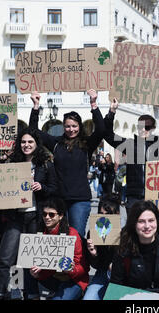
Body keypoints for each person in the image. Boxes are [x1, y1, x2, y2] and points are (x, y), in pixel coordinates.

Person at [0, 128, 58, 300]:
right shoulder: (12, 163)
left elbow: (54, 188)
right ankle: (4, 291)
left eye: (30, 142)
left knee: (29, 259)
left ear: (36, 144)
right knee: (6, 257)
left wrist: (41, 187)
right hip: (15, 216)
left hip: (35, 215)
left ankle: (30, 292)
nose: (26, 145)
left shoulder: (45, 164)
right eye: (23, 142)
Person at [29, 89, 105, 237]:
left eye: (74, 126)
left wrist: (94, 104)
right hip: (59, 199)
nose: (71, 129)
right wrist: (36, 106)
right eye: (68, 126)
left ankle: (78, 261)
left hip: (80, 200)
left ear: (80, 127)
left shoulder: (86, 144)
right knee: (60, 237)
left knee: (76, 236)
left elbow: (101, 129)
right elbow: (33, 131)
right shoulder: (56, 143)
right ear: (63, 127)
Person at [29, 197, 90, 300]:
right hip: (54, 279)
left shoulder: (72, 234)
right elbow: (46, 267)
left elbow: (83, 268)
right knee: (26, 265)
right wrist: (37, 274)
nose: (47, 217)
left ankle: (79, 293)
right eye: (44, 214)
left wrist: (71, 270)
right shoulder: (41, 235)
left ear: (61, 216)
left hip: (74, 280)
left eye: (51, 214)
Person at [83, 194, 121, 300]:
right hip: (103, 273)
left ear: (117, 214)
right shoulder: (93, 232)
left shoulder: (125, 234)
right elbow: (96, 265)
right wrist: (94, 254)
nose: (104, 217)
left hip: (121, 276)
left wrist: (116, 265)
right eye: (101, 213)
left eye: (108, 214)